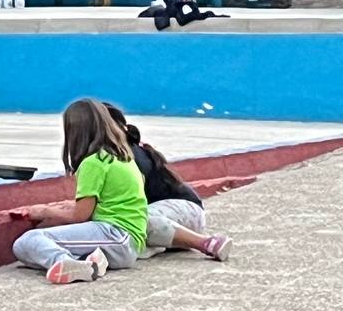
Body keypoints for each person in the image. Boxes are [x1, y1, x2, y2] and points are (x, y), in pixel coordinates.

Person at [12, 98, 148, 284]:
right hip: (127, 242)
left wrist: (44, 211)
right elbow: (111, 201)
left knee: (27, 242)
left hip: (117, 236)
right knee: (37, 248)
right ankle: (90, 262)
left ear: (75, 131)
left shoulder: (95, 162)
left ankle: (66, 262)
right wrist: (69, 205)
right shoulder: (122, 157)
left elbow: (80, 215)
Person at [104, 104, 232, 262]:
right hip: (167, 223)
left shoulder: (127, 155)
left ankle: (207, 243)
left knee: (134, 220)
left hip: (185, 212)